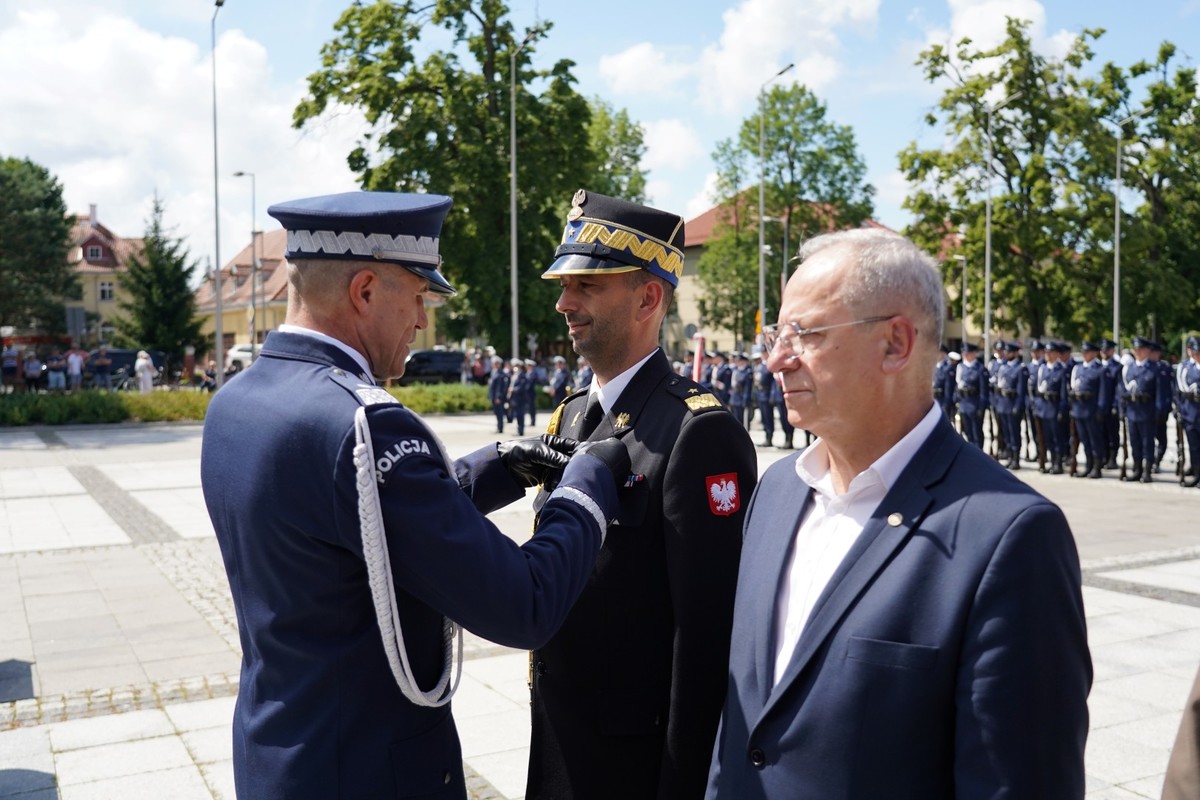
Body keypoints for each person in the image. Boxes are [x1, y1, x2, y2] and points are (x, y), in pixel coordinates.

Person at [200, 190, 631, 799]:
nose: (423, 320)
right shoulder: (364, 425)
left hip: (280, 754)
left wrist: (501, 464)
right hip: (370, 770)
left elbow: (356, 520)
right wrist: (588, 481)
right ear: (366, 290)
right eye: (419, 295)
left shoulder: (235, 405)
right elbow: (522, 604)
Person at [706, 228, 1091, 799]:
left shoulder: (1008, 535)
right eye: (775, 336)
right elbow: (742, 729)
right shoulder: (779, 490)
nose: (777, 361)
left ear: (895, 344)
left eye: (804, 334)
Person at [528, 189, 758, 800]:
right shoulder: (572, 417)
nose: (563, 303)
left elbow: (707, 645)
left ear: (648, 297)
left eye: (586, 287)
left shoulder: (696, 431)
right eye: (564, 286)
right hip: (561, 747)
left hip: (631, 767)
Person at [1120, 337, 1159, 483]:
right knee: (1134, 441)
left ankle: (1147, 470)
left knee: (1147, 442)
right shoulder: (1129, 368)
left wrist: (1159, 412)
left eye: (1141, 349)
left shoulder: (1154, 368)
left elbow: (1159, 393)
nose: (1138, 352)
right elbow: (1122, 391)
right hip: (1132, 410)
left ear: (1148, 351)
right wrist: (1122, 410)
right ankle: (1137, 469)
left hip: (1147, 410)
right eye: (1136, 350)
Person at [1069, 341, 1108, 478]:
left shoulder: (1100, 369)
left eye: (1087, 352)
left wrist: (1100, 409)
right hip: (1079, 408)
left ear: (1094, 353)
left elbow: (1103, 393)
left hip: (1092, 410)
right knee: (1084, 440)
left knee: (1095, 440)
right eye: (1083, 352)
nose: (1085, 355)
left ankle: (1097, 467)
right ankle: (1088, 465)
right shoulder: (1078, 369)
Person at [954, 341, 987, 447]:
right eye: (964, 353)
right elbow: (957, 385)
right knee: (967, 431)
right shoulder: (961, 368)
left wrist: (981, 408)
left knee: (976, 432)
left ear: (973, 354)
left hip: (974, 404)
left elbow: (983, 391)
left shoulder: (980, 369)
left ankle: (978, 456)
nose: (965, 355)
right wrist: (956, 400)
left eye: (967, 353)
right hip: (964, 403)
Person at [1178, 336, 1200, 488]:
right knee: (1194, 446)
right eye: (1194, 351)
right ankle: (1197, 474)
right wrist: (1180, 411)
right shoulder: (1185, 368)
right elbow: (1178, 393)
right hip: (1190, 412)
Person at [487, 355, 509, 433]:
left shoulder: (500, 374)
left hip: (497, 397)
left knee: (499, 413)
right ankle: (498, 427)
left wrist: (498, 397)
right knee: (496, 412)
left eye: (496, 363)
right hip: (494, 396)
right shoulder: (494, 372)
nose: (494, 365)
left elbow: (500, 387)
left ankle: (500, 428)